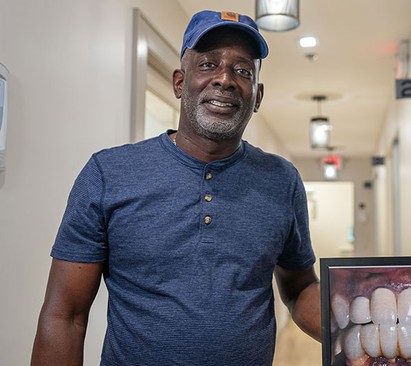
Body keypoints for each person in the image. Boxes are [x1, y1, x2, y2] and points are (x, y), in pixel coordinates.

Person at [31, 10, 321, 366]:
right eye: (208, 65)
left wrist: (355, 324)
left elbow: (299, 287)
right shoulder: (108, 174)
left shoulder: (281, 180)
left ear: (257, 96)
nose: (225, 79)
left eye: (243, 71)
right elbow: (65, 315)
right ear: (180, 82)